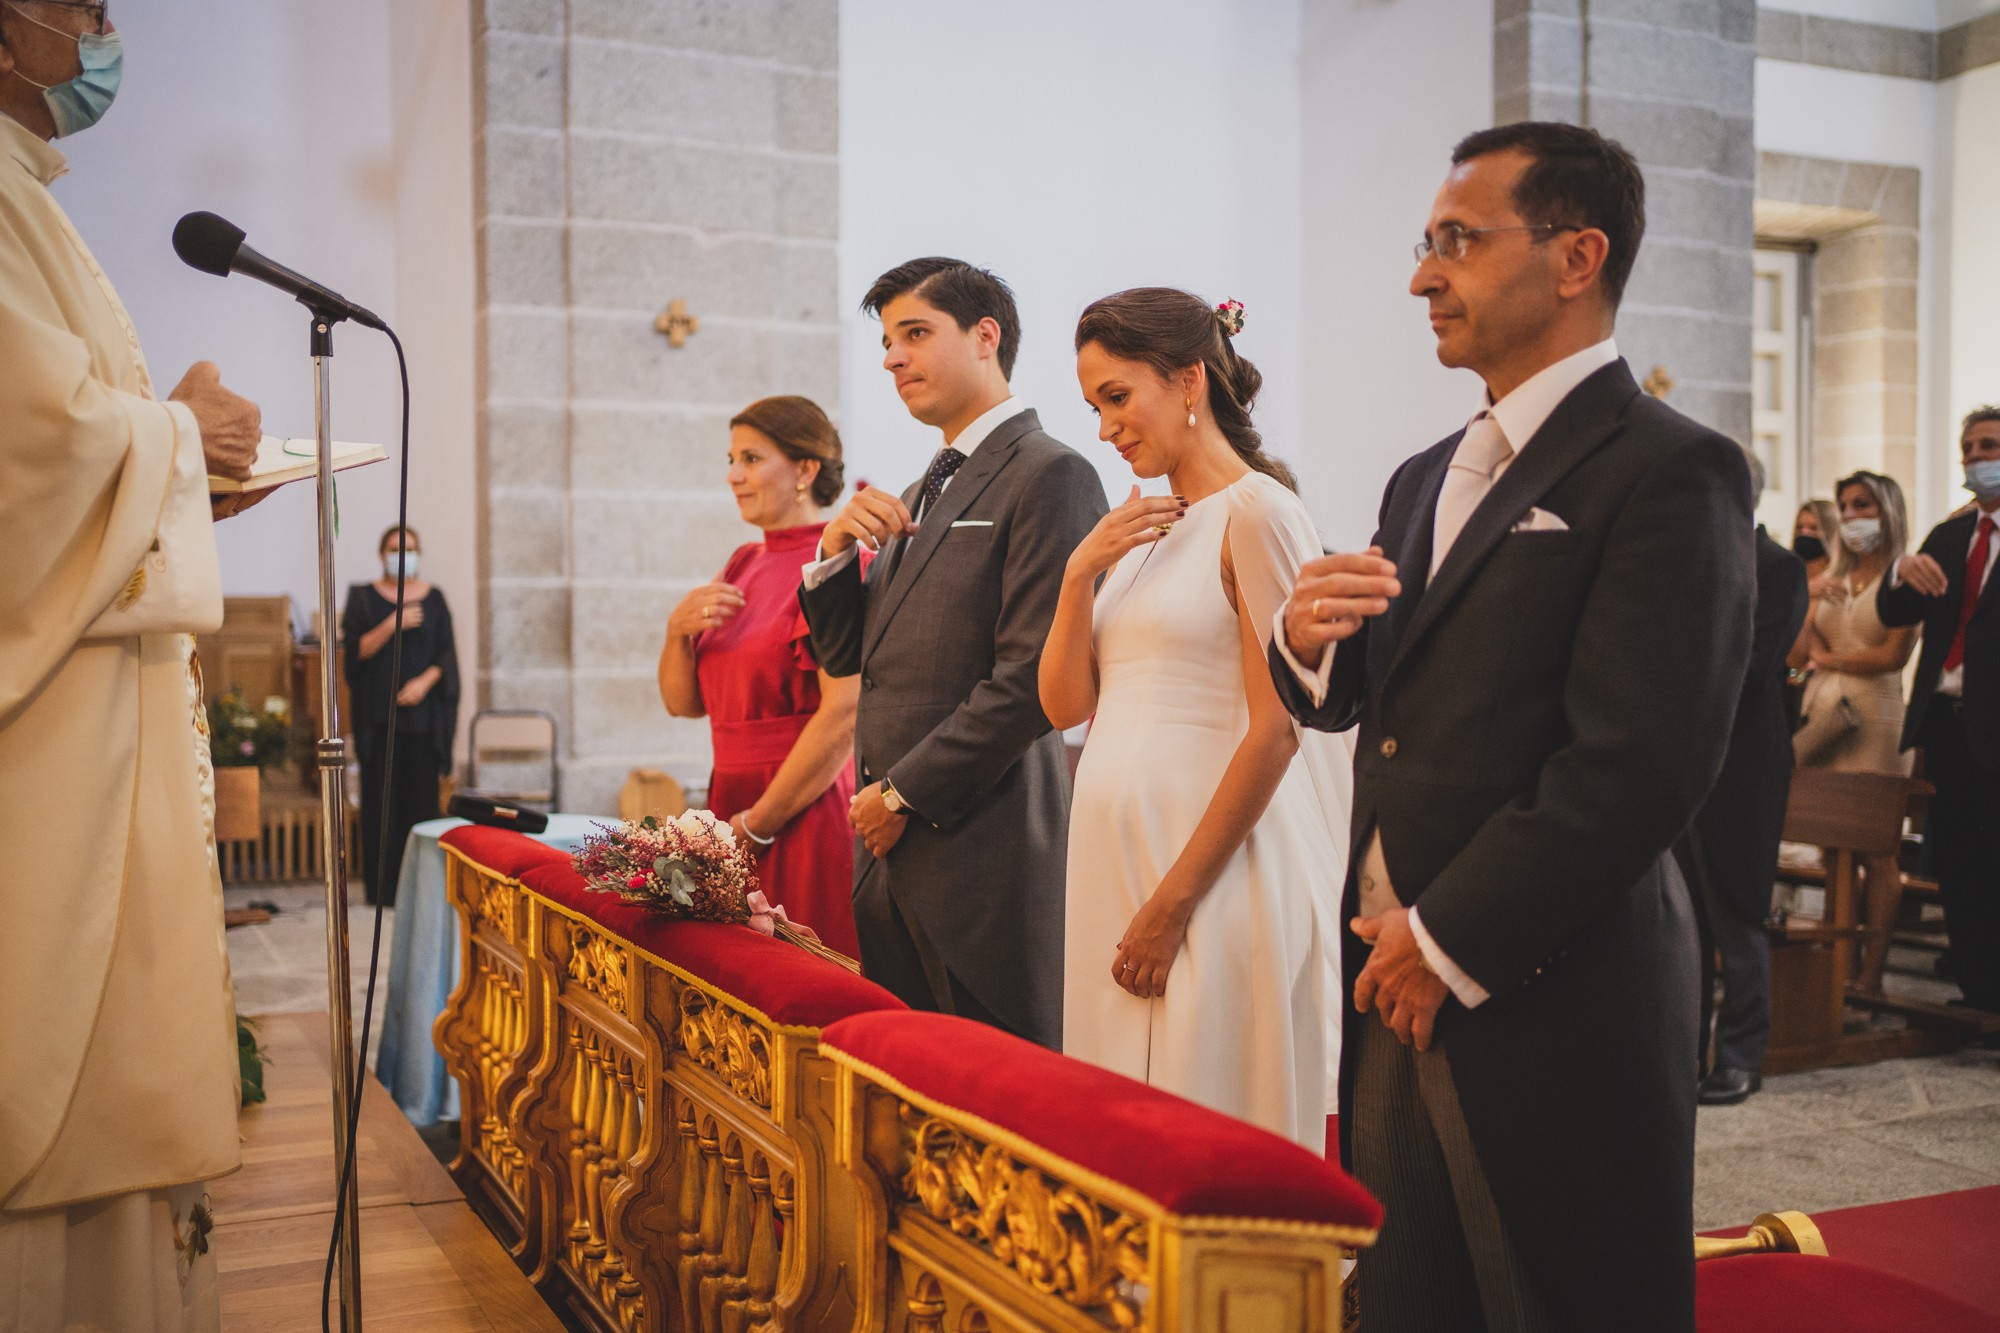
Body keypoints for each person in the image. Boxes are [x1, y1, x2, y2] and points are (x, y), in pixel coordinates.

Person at [1269, 122, 1754, 1331]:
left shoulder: (1669, 469)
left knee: (1548, 1294)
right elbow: (1372, 700)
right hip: (1392, 968)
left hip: (1542, 972)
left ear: (1574, 255)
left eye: (1454, 242)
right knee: (1409, 1298)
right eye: (1423, 244)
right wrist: (1304, 639)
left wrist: (1445, 934)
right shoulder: (1423, 472)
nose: (1421, 275)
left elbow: (1640, 760)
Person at [1, 4, 265, 1322]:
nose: (105, 32)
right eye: (85, 6)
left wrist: (181, 477)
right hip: (41, 772)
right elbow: (20, 460)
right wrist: (176, 436)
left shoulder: (24, 193)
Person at [1040, 289, 1350, 1151]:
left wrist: (1172, 902)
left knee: (1206, 1112)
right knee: (1121, 1128)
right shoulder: (1146, 529)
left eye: (1116, 396)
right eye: (1093, 405)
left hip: (1211, 871)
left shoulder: (1258, 513)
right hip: (1116, 864)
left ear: (1187, 381)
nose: (1105, 428)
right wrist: (1077, 577)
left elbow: (1279, 727)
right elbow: (1066, 706)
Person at [798, 257, 1107, 1048]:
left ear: (984, 336)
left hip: (983, 856)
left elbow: (1031, 678)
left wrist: (900, 794)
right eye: (888, 340)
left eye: (914, 333)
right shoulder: (921, 489)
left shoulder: (1051, 473)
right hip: (891, 864)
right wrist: (834, 558)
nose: (892, 357)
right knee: (912, 1104)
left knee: (998, 1112)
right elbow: (856, 663)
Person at [659, 396, 863, 958]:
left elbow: (844, 713)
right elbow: (684, 703)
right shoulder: (743, 561)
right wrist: (676, 632)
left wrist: (757, 826)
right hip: (731, 795)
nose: (733, 475)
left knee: (800, 981)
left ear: (804, 469)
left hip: (801, 802)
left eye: (750, 458)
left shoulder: (837, 562)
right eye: (731, 459)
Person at [1679, 454, 1810, 1107]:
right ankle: (1688, 1053)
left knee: (1738, 912)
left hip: (1746, 764)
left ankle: (1740, 1056)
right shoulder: (1689, 561)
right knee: (1690, 920)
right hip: (1684, 762)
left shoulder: (1780, 567)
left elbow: (1753, 665)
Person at [1878, 406, 2000, 1017]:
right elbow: (1894, 613)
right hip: (1948, 726)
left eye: (1991, 446)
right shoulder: (1951, 536)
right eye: (1971, 449)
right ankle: (1981, 997)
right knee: (1961, 867)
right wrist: (1899, 570)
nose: (1980, 459)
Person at [1793, 470, 1916, 993]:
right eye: (1845, 506)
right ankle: (1835, 966)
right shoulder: (1832, 579)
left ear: (1885, 512)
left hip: (1874, 720)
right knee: (1828, 845)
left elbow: (1893, 655)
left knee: (1876, 850)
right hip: (1822, 717)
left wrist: (1830, 657)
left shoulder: (1903, 577)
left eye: (1862, 505)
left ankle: (1871, 973)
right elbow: (1798, 655)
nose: (1851, 517)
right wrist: (1805, 599)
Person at [342, 526, 460, 906]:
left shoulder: (435, 599)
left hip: (422, 723)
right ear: (382, 554)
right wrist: (393, 623)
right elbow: (354, 654)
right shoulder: (361, 598)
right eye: (395, 549)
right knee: (381, 808)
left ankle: (421, 891)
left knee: (420, 806)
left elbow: (446, 657)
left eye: (409, 549)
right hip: (380, 722)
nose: (402, 555)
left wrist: (424, 683)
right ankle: (384, 892)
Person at [1785, 498, 1837, 729]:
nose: (1804, 534)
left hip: (1825, 682)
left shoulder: (1837, 580)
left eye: (1814, 528)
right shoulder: (1788, 574)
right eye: (1800, 527)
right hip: (1786, 680)